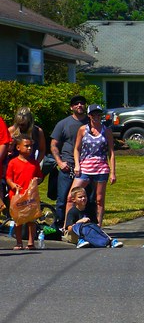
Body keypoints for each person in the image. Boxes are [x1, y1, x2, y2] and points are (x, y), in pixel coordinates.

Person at [50, 95, 93, 229]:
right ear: (71, 107)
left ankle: (85, 225)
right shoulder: (63, 124)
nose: (79, 105)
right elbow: (53, 144)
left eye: (82, 103)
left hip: (86, 167)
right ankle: (59, 226)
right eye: (76, 104)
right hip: (67, 167)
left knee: (86, 199)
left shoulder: (91, 123)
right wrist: (60, 162)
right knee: (63, 199)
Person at [71, 104, 115, 227]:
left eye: (98, 114)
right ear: (89, 115)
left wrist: (113, 172)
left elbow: (111, 152)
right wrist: (77, 165)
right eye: (93, 114)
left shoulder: (106, 131)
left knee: (99, 199)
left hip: (101, 168)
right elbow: (77, 149)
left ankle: (98, 226)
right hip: (85, 167)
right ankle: (68, 225)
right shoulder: (83, 129)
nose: (96, 117)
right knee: (72, 196)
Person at [6, 136, 43, 250]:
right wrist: (13, 185)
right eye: (26, 146)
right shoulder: (13, 162)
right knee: (18, 220)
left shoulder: (34, 163)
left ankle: (31, 242)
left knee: (31, 219)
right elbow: (8, 177)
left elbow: (40, 176)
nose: (29, 148)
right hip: (17, 195)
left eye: (31, 146)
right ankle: (19, 242)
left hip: (30, 195)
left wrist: (37, 180)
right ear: (18, 147)